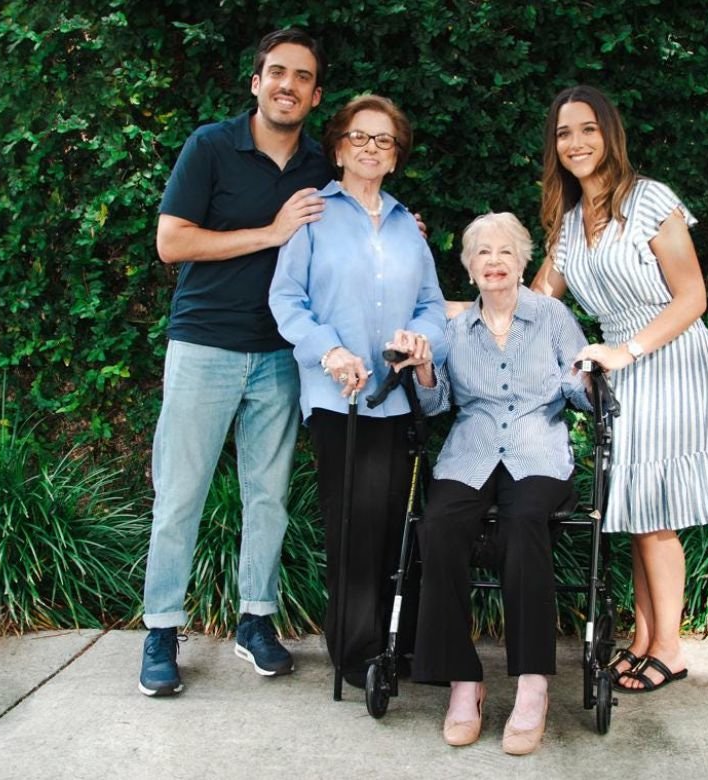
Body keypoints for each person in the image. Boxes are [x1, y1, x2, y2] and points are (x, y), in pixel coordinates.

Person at [138, 28, 333, 697]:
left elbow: (344, 233)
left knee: (269, 499)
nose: (288, 85)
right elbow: (172, 241)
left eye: (302, 76)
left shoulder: (319, 165)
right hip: (205, 346)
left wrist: (394, 229)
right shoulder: (211, 146)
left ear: (314, 93)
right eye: (276, 72)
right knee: (180, 495)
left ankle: (256, 621)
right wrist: (272, 233)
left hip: (280, 354)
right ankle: (162, 631)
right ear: (256, 82)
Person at [532, 85, 708, 694]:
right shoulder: (567, 222)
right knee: (640, 506)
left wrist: (626, 350)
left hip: (668, 358)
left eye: (587, 129)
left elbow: (692, 297)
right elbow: (533, 303)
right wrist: (441, 313)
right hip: (619, 368)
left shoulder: (649, 200)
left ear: (608, 133)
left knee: (656, 511)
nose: (576, 143)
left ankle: (669, 648)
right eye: (564, 133)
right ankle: (644, 641)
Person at [269, 94, 447, 688]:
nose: (372, 148)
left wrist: (418, 342)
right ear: (340, 147)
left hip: (398, 400)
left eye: (385, 140)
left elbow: (430, 307)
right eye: (360, 137)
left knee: (397, 523)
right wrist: (330, 349)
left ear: (396, 157)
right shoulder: (315, 215)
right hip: (337, 398)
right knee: (352, 525)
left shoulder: (406, 225)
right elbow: (286, 300)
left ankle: (402, 645)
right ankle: (358, 654)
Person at [408, 213, 592, 755]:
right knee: (438, 524)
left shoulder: (552, 316)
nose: (494, 261)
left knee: (523, 520)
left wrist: (586, 374)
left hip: (539, 450)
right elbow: (437, 402)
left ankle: (533, 685)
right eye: (482, 253)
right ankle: (465, 682)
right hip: (471, 450)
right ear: (468, 269)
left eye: (504, 252)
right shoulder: (452, 330)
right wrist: (422, 372)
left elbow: (581, 393)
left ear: (521, 262)